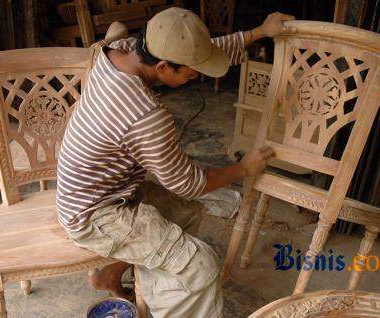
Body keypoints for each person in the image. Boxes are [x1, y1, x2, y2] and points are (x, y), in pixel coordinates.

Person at [56, 7, 294, 318]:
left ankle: (115, 275)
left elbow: (198, 51)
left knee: (185, 213)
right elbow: (189, 183)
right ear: (164, 66)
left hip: (97, 188)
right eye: (191, 73)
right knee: (202, 266)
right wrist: (243, 168)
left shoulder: (118, 51)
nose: (197, 77)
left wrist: (259, 32)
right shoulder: (145, 117)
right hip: (94, 215)